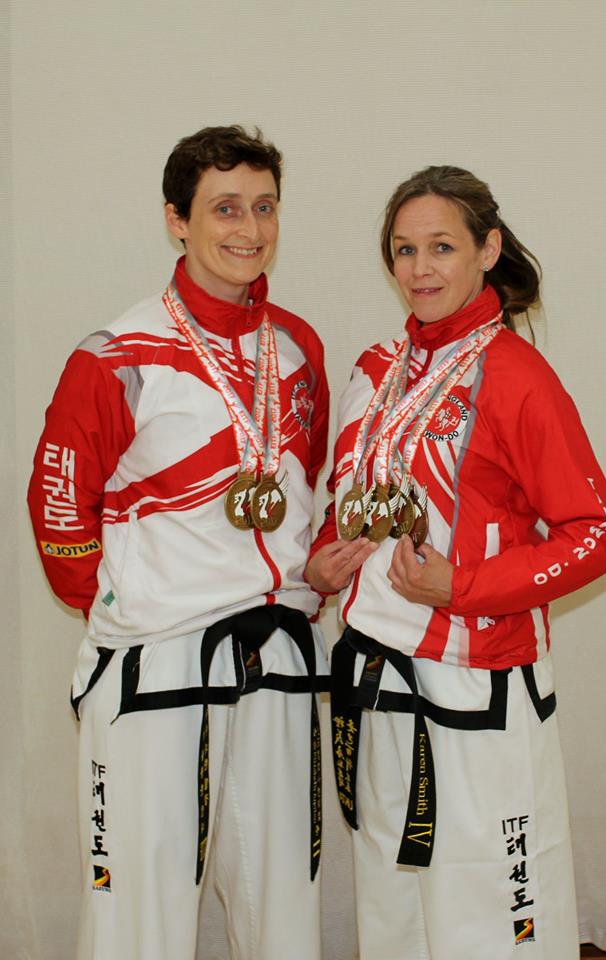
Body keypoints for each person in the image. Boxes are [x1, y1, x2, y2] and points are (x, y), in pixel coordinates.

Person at [306, 165, 606, 960]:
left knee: (491, 915)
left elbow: (598, 535)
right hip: (378, 679)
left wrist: (464, 587)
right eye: (404, 250)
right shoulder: (375, 370)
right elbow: (351, 501)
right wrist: (322, 563)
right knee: (393, 908)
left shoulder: (518, 377)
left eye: (441, 247)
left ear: (488, 249)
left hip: (478, 685)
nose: (420, 269)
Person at [27, 125, 330, 960]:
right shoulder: (117, 353)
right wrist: (131, 607)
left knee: (283, 905)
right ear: (177, 220)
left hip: (277, 656)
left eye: (264, 207)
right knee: (140, 912)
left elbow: (303, 487)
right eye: (225, 208)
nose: (249, 229)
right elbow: (57, 505)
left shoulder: (298, 348)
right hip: (156, 662)